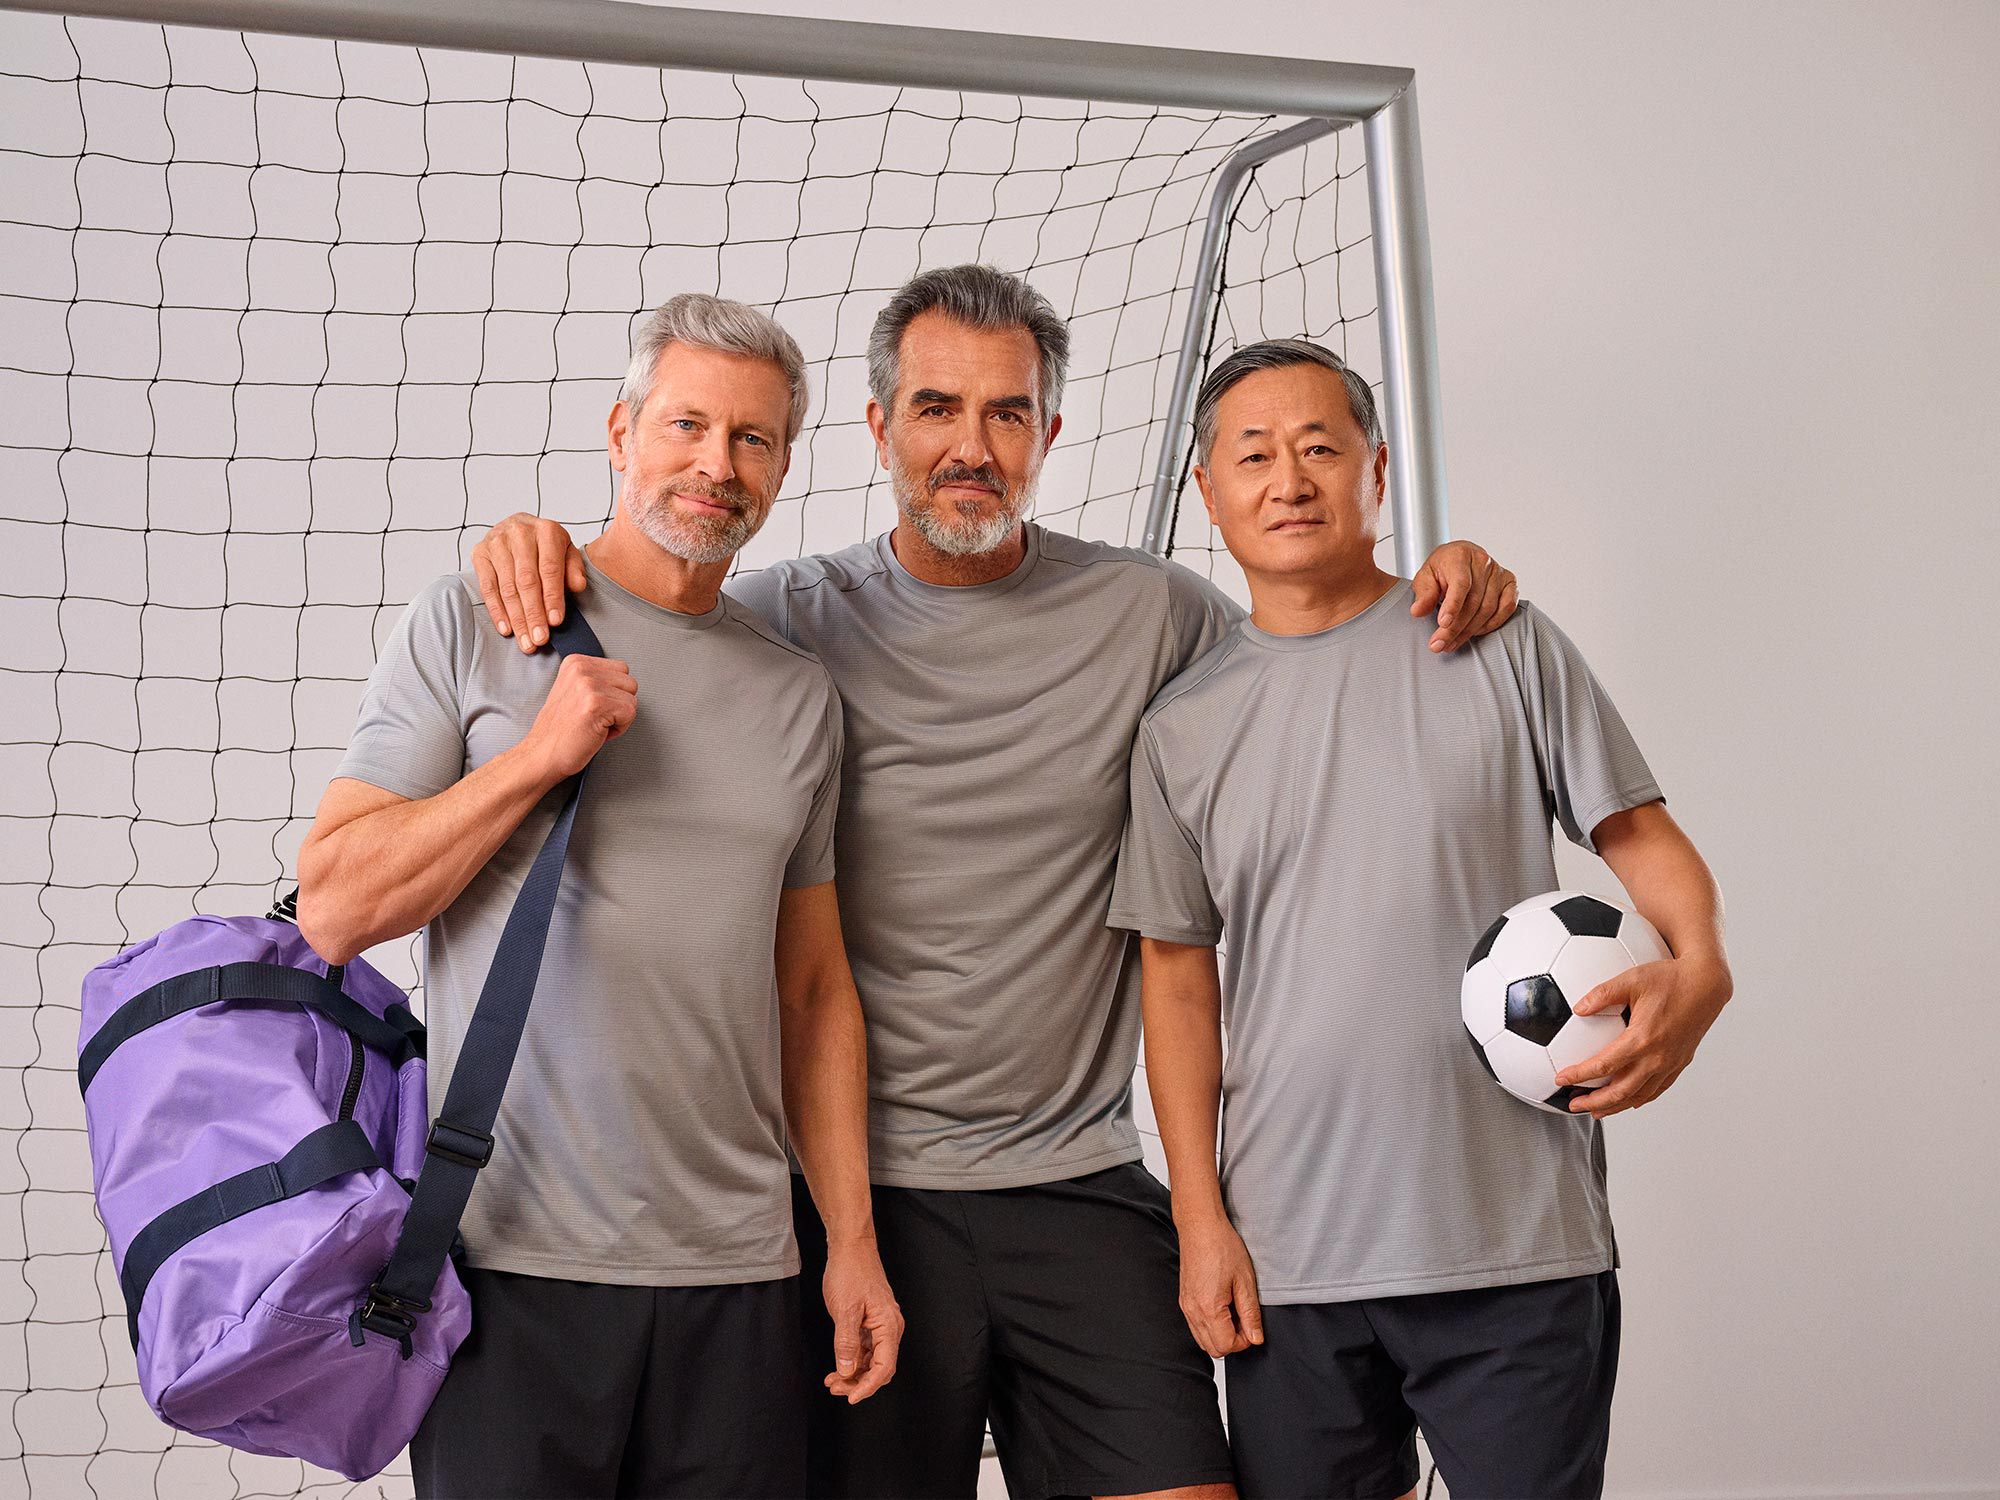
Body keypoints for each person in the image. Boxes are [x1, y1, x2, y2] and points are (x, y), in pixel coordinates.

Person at [467, 266, 1518, 1500]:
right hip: (854, 1207)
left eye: (1006, 414)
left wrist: (1441, 581)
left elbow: (1311, 653)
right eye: (934, 409)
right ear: (875, 428)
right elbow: (653, 593)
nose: (970, 446)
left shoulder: (1154, 615)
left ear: (1048, 434)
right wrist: (535, 543)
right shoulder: (782, 627)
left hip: (1078, 1181)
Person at [296, 293, 901, 1500]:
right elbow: (334, 909)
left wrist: (852, 1248)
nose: (713, 466)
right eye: (684, 426)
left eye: (751, 440)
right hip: (505, 1268)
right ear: (620, 434)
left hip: (740, 1275)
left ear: (783, 468)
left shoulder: (796, 697)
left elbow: (816, 991)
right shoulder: (477, 621)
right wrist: (534, 759)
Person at [1110, 338, 1733, 1500]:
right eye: (1252, 454)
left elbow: (1636, 836)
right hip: (1292, 1259)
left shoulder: (1491, 637)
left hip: (1510, 1240)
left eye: (1317, 448)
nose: (1287, 479)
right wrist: (1199, 1221)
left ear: (1375, 471)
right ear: (1208, 491)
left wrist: (1700, 969)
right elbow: (1177, 984)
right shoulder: (1179, 730)